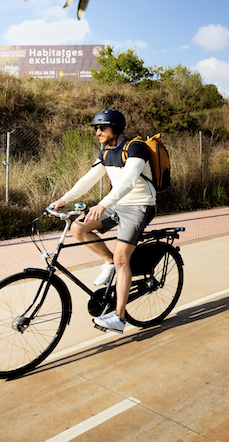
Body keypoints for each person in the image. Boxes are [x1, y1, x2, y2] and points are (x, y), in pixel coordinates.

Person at [48, 109, 156, 334]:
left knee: (122, 260)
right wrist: (63, 199)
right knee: (78, 227)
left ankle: (119, 317)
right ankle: (108, 262)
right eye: (96, 128)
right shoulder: (106, 151)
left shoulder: (136, 148)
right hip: (116, 204)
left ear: (115, 129)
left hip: (139, 205)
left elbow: (127, 182)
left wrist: (103, 204)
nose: (97, 132)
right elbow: (89, 178)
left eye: (102, 128)